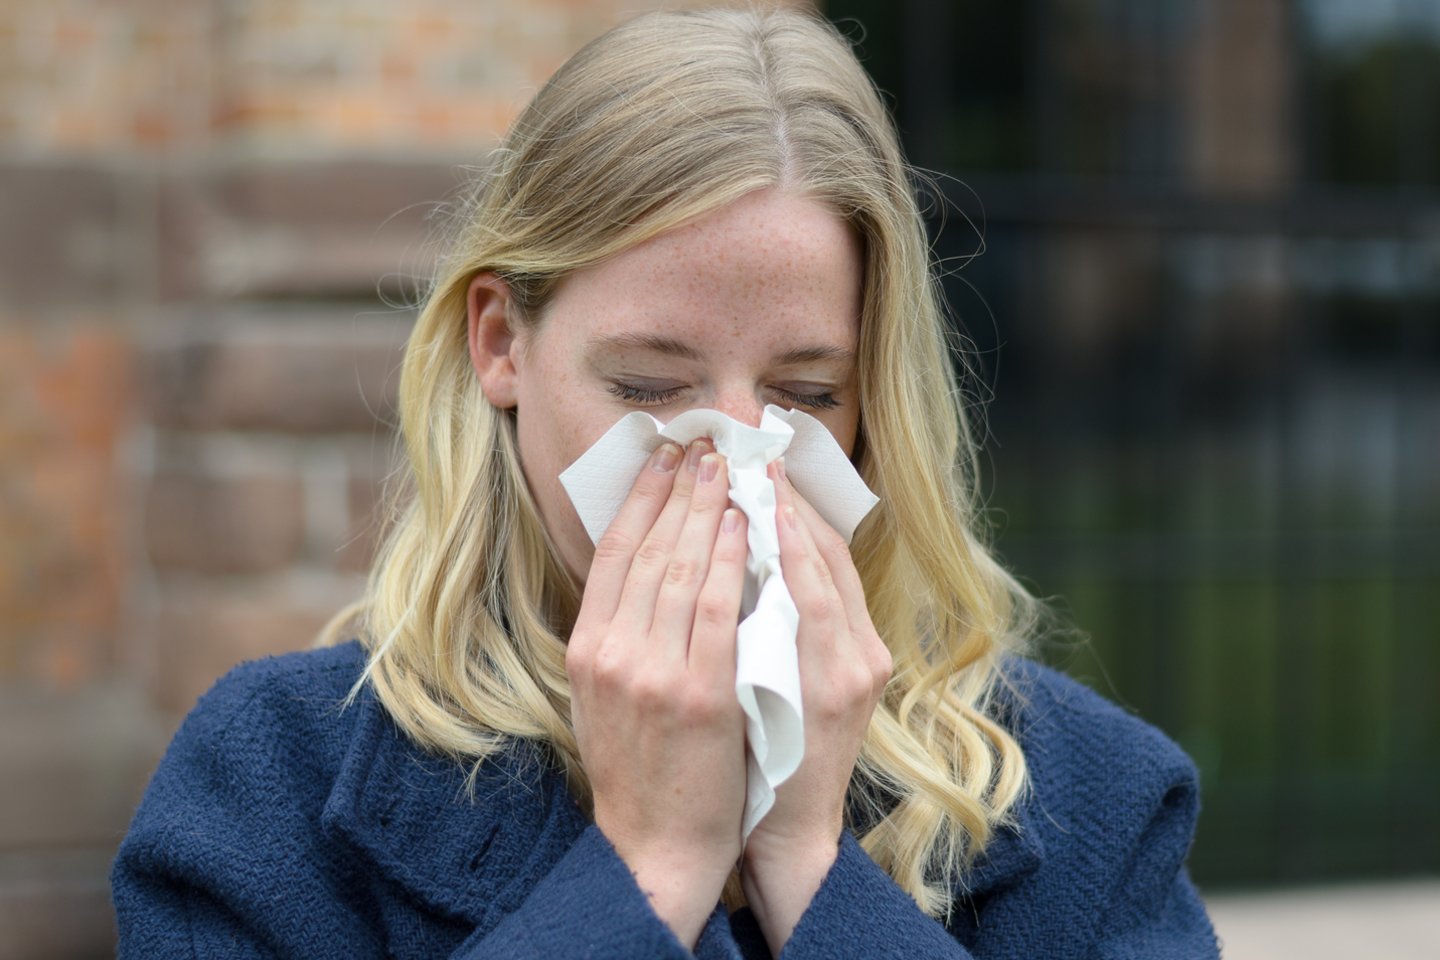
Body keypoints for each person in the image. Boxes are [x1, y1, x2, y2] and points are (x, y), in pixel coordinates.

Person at [112, 6, 1219, 958]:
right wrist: (649, 868)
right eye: (648, 385)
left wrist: (812, 867)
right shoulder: (271, 788)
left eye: (805, 395)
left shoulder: (1094, 798)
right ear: (499, 344)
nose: (731, 459)